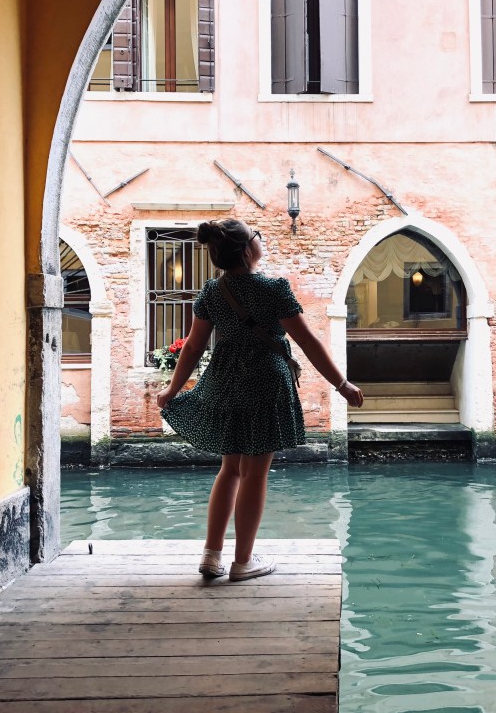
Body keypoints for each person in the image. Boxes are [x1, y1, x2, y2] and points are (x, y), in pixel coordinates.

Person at [156, 218, 364, 582]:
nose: (260, 240)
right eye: (257, 236)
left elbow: (192, 346)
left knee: (229, 468)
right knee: (254, 473)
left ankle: (211, 555)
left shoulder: (211, 292)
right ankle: (242, 562)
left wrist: (172, 390)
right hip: (265, 382)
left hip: (224, 380)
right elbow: (309, 343)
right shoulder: (273, 289)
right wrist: (342, 384)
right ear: (248, 248)